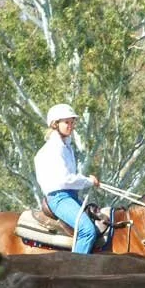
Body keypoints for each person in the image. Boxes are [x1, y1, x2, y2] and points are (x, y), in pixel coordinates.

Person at [34, 103, 101, 254]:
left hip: (70, 196)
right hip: (59, 198)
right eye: (66, 122)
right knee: (87, 231)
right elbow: (65, 179)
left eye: (72, 122)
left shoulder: (66, 146)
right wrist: (89, 181)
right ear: (55, 124)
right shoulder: (54, 148)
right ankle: (76, 271)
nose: (70, 126)